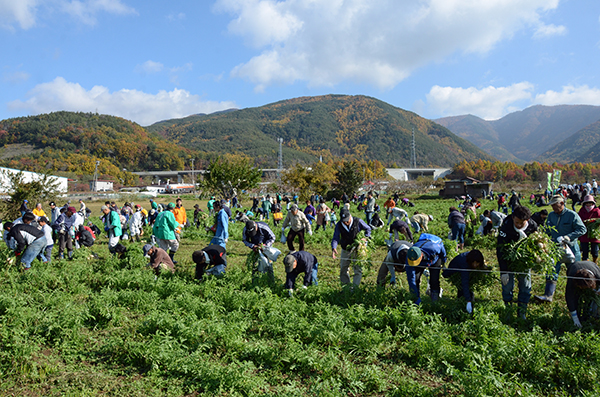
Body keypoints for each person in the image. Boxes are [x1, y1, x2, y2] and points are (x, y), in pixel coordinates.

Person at [536, 195, 586, 302]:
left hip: (571, 249)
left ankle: (577, 297)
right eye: (552, 205)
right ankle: (548, 295)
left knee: (575, 273)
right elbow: (548, 230)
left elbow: (582, 229)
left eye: (555, 205)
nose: (553, 208)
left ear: (562, 204)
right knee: (551, 270)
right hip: (555, 249)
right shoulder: (551, 216)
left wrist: (569, 237)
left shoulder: (572, 215)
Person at [497, 205, 538, 319]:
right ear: (513, 217)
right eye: (516, 222)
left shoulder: (533, 226)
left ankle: (522, 313)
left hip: (524, 262)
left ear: (527, 220)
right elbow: (500, 250)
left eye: (522, 223)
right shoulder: (506, 226)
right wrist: (504, 271)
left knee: (525, 286)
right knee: (507, 287)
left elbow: (537, 247)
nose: (519, 225)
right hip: (508, 260)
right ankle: (508, 311)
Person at [331, 208, 372, 287]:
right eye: (344, 221)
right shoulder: (339, 225)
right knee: (343, 268)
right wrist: (334, 247)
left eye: (347, 220)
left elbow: (368, 229)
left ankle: (355, 288)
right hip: (345, 249)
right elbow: (336, 237)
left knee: (357, 269)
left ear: (350, 216)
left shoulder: (358, 221)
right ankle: (346, 287)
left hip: (357, 249)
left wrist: (366, 237)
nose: (346, 222)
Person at [405, 233, 447, 303]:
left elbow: (442, 250)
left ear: (421, 255)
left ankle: (435, 299)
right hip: (422, 263)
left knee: (434, 279)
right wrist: (415, 295)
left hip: (435, 260)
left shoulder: (434, 247)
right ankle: (416, 298)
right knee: (416, 279)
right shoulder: (410, 256)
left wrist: (443, 261)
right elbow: (411, 277)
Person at [565, 261, 600, 328]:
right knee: (575, 297)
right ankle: (579, 316)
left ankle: (588, 314)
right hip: (573, 267)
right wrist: (575, 319)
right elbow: (569, 298)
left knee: (591, 297)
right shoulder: (572, 279)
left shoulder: (598, 274)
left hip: (591, 266)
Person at [577, 195, 600, 262]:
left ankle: (595, 263)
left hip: (593, 232)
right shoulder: (582, 210)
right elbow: (579, 219)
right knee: (585, 251)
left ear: (593, 203)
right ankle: (586, 264)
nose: (588, 204)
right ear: (584, 203)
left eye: (590, 203)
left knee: (595, 251)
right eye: (587, 203)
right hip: (584, 232)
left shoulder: (597, 210)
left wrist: (594, 222)